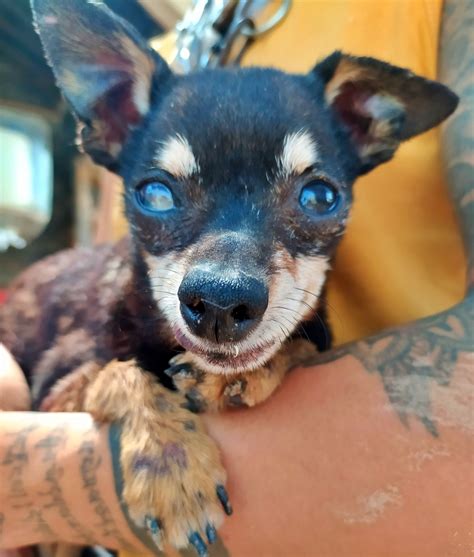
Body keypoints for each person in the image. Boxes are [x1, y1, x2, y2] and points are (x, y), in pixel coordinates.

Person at [0, 0, 472, 555]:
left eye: (314, 197)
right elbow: (76, 367)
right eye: (160, 194)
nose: (227, 286)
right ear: (112, 123)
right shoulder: (173, 56)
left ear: (363, 124)